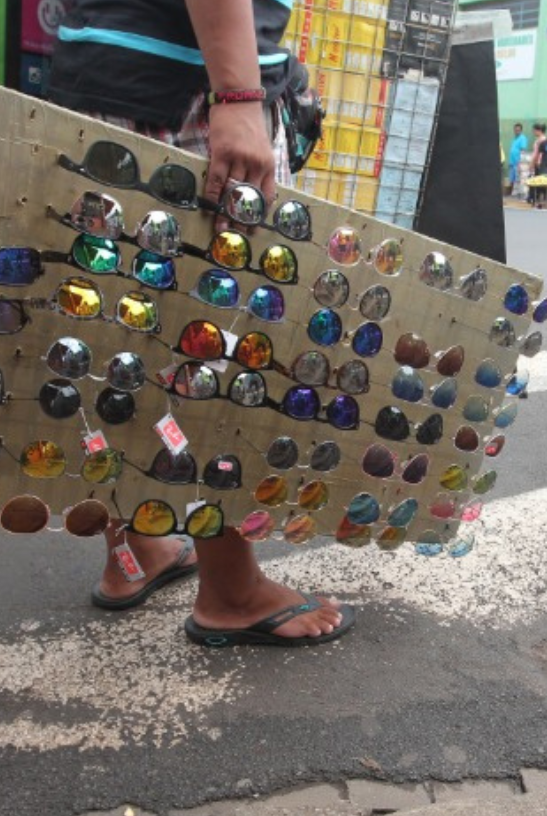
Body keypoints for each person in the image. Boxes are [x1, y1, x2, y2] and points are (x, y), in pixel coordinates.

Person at [49, 0, 353, 646]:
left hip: (108, 69)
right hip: (192, 86)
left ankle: (137, 547)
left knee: (121, 340)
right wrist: (240, 93)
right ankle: (231, 588)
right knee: (221, 349)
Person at [507, 122, 528, 195]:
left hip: (518, 163)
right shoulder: (514, 139)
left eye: (518, 130)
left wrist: (520, 162)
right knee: (511, 179)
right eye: (515, 130)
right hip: (512, 162)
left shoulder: (523, 138)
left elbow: (523, 151)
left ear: (521, 130)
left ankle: (516, 195)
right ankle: (511, 194)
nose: (516, 131)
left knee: (517, 180)